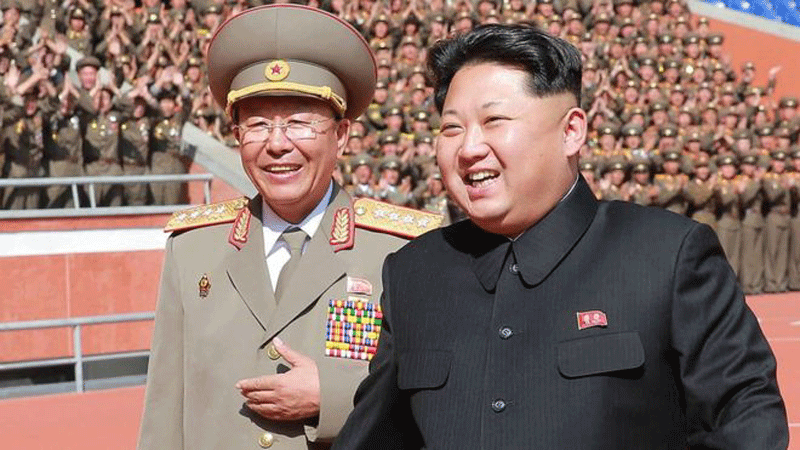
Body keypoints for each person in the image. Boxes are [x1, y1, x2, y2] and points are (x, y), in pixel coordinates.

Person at [333, 24, 788, 450]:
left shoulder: (667, 256)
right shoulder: (414, 272)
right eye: (452, 128)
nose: (469, 148)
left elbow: (747, 424)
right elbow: (375, 436)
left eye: (494, 121)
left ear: (571, 132)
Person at [136, 5, 441, 450]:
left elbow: (437, 402)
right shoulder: (194, 249)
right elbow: (164, 412)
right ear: (237, 136)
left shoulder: (402, 250)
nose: (277, 144)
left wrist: (333, 398)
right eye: (258, 124)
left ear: (341, 135)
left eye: (299, 122)